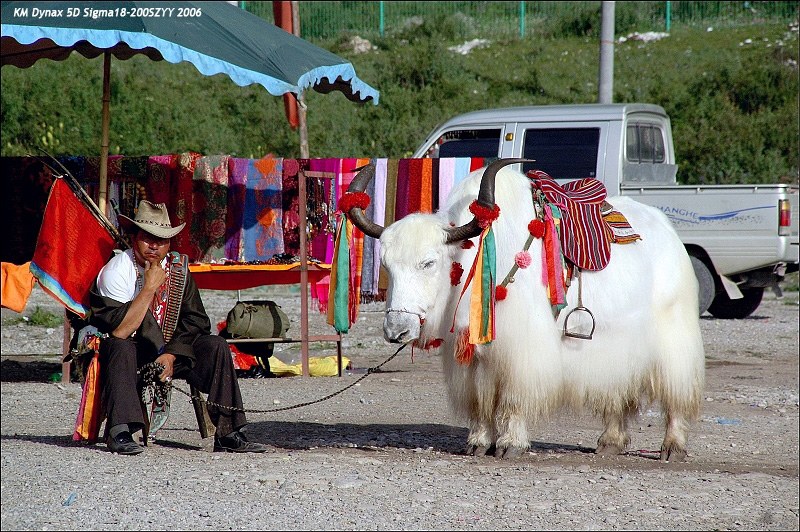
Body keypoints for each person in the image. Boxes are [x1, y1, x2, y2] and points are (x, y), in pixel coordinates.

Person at [89, 201, 268, 455]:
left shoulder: (178, 269)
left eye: (161, 240)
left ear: (169, 243)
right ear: (134, 238)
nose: (154, 246)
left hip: (170, 350)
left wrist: (172, 354)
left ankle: (228, 432)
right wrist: (149, 288)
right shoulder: (116, 271)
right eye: (147, 238)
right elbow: (120, 331)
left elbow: (196, 321)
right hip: (130, 351)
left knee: (215, 346)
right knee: (120, 347)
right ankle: (120, 431)